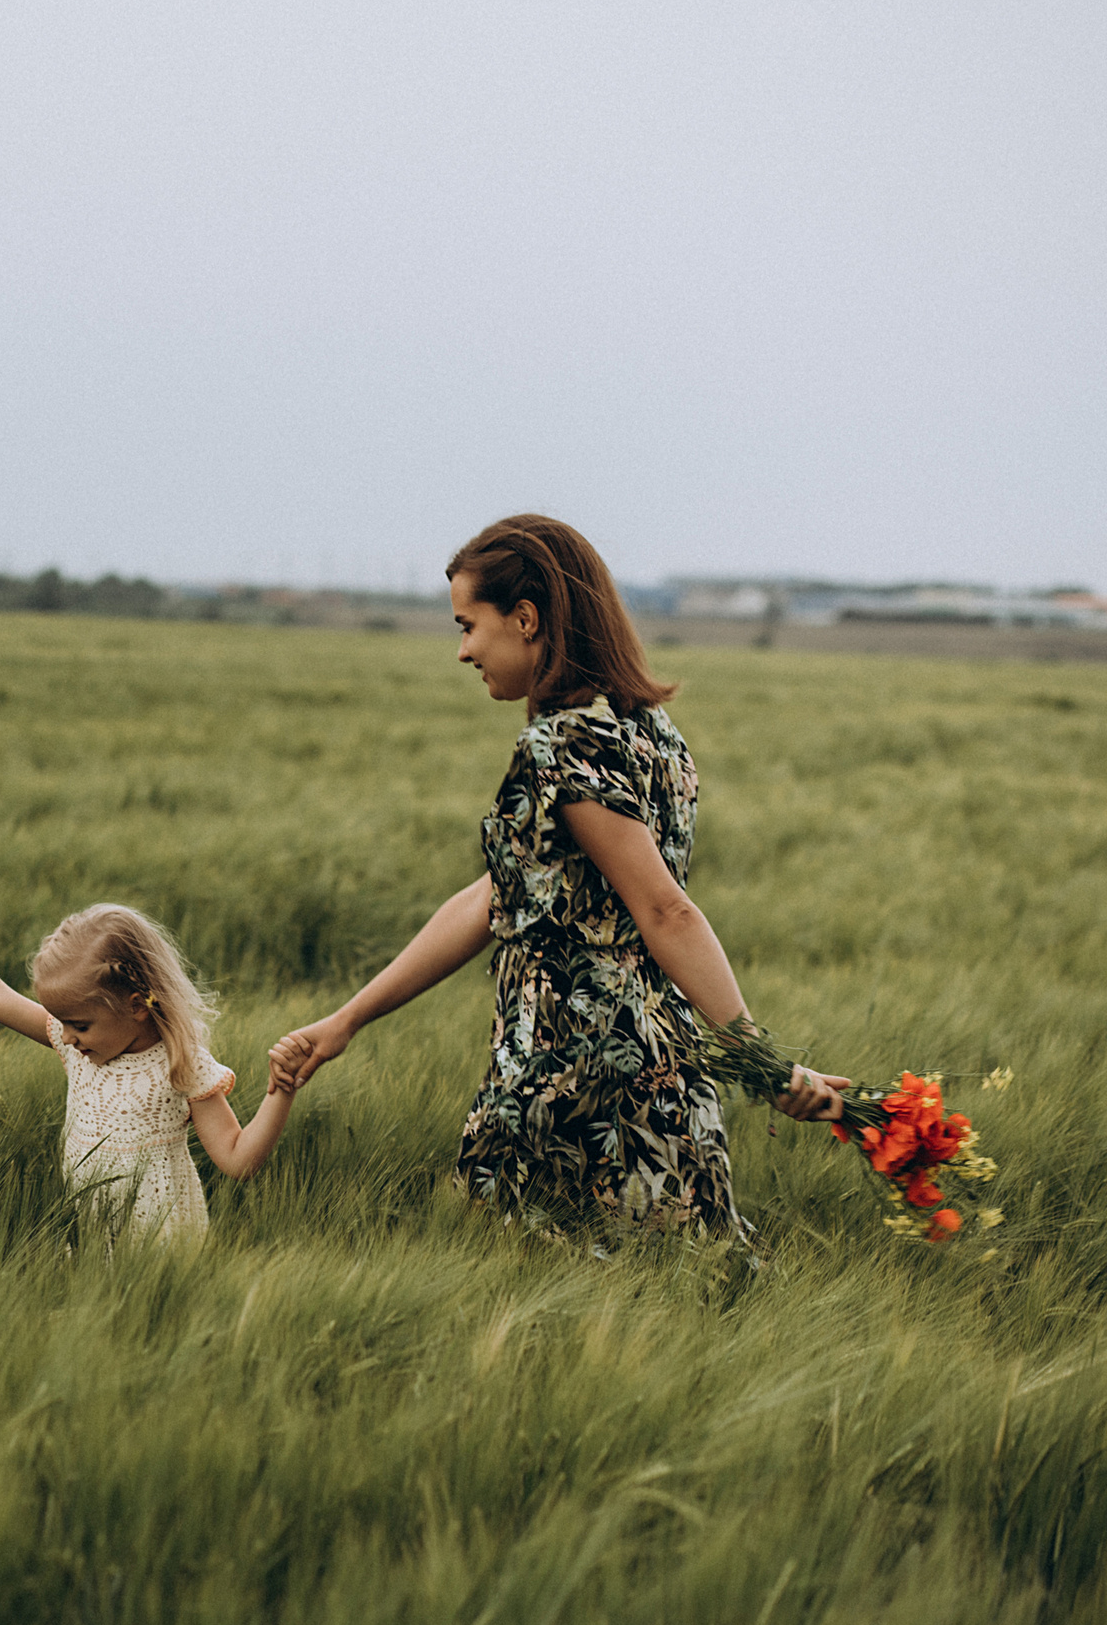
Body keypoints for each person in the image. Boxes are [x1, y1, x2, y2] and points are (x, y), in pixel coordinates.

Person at [271, 515, 845, 1240]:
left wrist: (762, 1061)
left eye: (467, 625)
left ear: (526, 618)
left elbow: (665, 910)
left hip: (569, 1078)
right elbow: (495, 897)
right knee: (669, 1291)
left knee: (512, 1276)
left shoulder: (562, 745)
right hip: (658, 1066)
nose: (461, 651)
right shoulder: (652, 732)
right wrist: (347, 1018)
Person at [0, 902, 308, 1245]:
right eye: (61, 1022)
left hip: (163, 1240)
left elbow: (237, 1159)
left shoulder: (181, 1067)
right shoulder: (74, 1046)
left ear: (137, 1006)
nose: (67, 1036)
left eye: (80, 1024)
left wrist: (281, 1091)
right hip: (90, 1230)